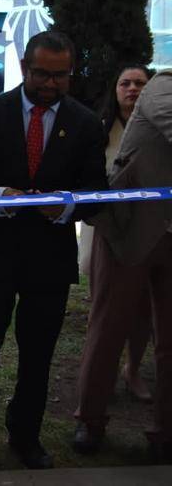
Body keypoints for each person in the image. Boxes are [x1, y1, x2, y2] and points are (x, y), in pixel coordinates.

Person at [0, 31, 107, 469]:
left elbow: (96, 190)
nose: (51, 84)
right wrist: (1, 195)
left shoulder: (85, 123)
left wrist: (65, 206)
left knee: (38, 355)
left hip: (49, 259)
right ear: (24, 67)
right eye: (42, 74)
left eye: (61, 76)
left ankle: (26, 436)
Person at [76, 67, 171, 461]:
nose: (132, 89)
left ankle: (166, 433)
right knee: (109, 330)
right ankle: (90, 421)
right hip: (129, 230)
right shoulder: (163, 86)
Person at [76, 65, 154, 403]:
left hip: (149, 229)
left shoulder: (159, 129)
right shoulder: (98, 128)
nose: (133, 89)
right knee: (105, 307)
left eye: (140, 83)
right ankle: (99, 377)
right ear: (115, 89)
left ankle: (132, 369)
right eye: (126, 83)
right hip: (106, 229)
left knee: (143, 307)